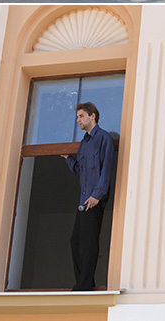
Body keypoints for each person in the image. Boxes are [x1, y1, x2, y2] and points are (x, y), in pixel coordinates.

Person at [61, 102, 115, 291]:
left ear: (93, 116)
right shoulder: (84, 143)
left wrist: (97, 195)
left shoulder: (104, 138)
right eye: (77, 117)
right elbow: (80, 171)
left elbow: (106, 169)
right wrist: (68, 159)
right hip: (83, 202)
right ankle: (85, 282)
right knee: (75, 242)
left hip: (94, 201)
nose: (78, 120)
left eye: (81, 116)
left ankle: (84, 285)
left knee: (88, 243)